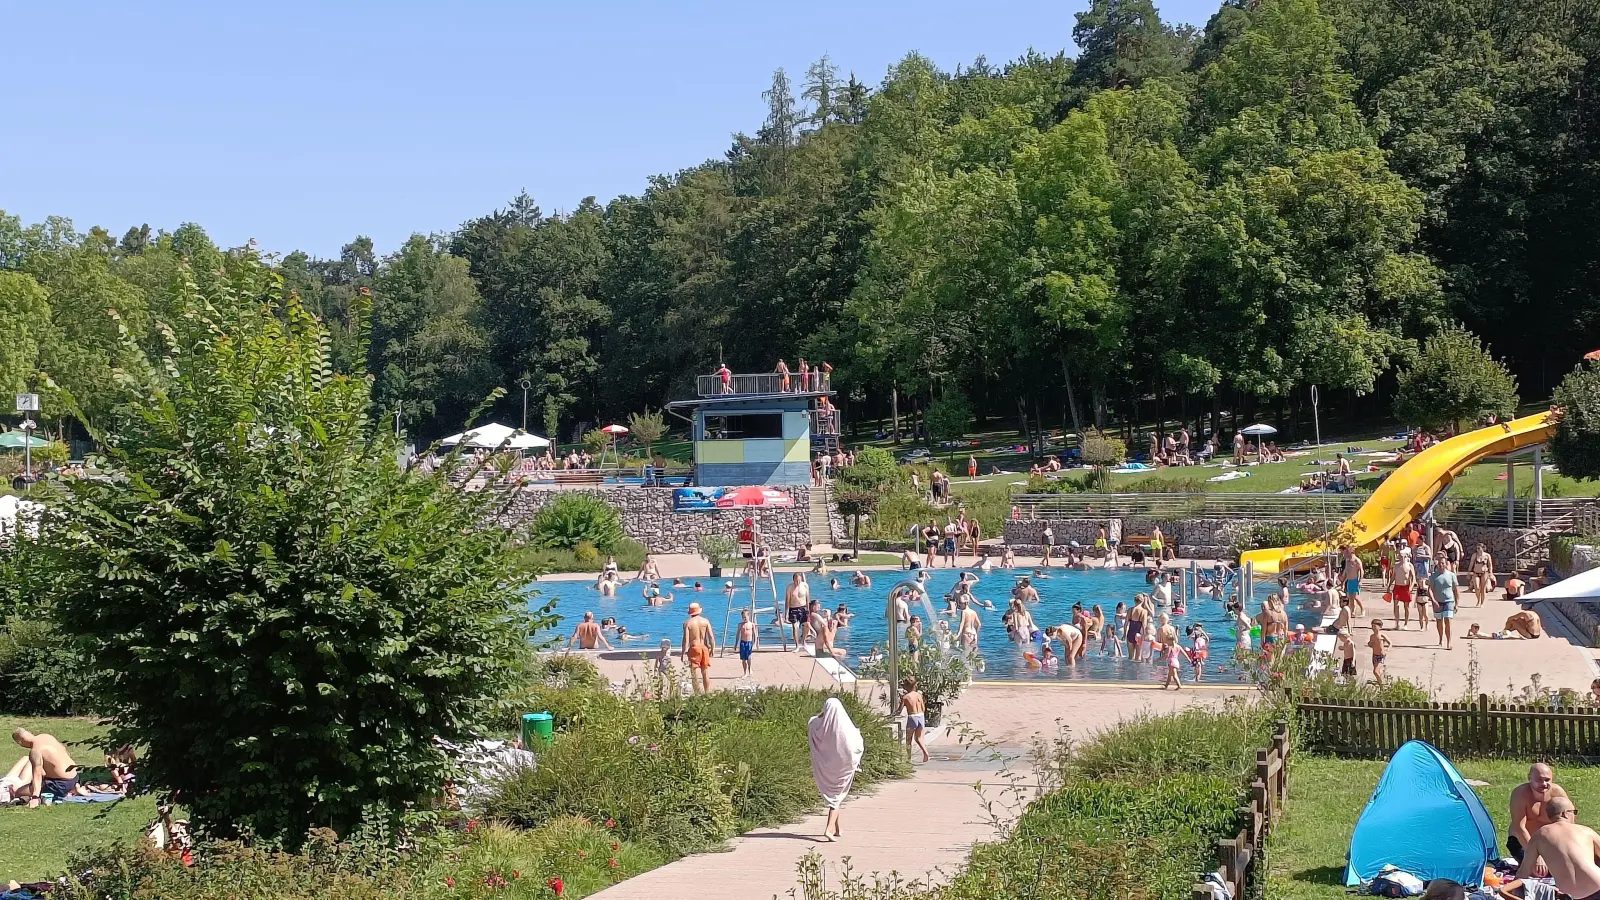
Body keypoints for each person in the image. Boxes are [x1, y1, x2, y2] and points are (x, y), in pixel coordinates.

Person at [1517, 796, 1600, 900]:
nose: (1574, 816)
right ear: (1565, 813)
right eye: (1574, 812)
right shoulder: (1585, 831)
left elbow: (1524, 872)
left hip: (1569, 895)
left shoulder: (1539, 836)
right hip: (1597, 886)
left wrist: (1508, 889)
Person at [809, 698, 865, 842]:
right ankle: (829, 830)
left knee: (836, 796)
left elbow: (813, 721)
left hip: (825, 767)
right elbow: (856, 745)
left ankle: (838, 828)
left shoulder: (816, 725)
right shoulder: (845, 729)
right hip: (841, 768)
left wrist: (822, 714)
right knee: (836, 797)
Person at [1511, 763, 1571, 861]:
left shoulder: (1558, 793)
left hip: (1550, 842)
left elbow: (1570, 820)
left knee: (1563, 867)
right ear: (1529, 778)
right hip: (1523, 842)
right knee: (1537, 870)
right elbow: (1518, 827)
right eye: (1539, 780)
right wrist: (1535, 854)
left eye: (1547, 780)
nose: (1543, 784)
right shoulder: (1520, 794)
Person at [12, 728, 79, 808]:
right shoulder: (47, 736)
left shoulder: (35, 751)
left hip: (61, 784)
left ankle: (63, 791)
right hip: (75, 776)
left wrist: (35, 797)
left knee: (19, 792)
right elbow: (63, 750)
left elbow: (37, 775)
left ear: (20, 743)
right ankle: (73, 787)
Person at [681, 602, 715, 694]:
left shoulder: (687, 623)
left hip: (694, 648)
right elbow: (711, 637)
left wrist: (683, 653)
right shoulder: (705, 621)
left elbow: (686, 640)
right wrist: (713, 648)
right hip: (704, 647)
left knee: (694, 672)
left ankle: (697, 694)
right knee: (705, 672)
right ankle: (707, 693)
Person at [1431, 558, 1461, 649]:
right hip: (1438, 602)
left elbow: (1456, 590)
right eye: (1439, 564)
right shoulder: (1434, 576)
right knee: (1439, 621)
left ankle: (1449, 642)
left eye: (1442, 563)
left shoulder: (1451, 575)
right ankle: (1440, 638)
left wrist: (1457, 603)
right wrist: (1433, 600)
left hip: (1449, 601)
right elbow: (1430, 589)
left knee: (1448, 620)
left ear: (1446, 564)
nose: (1441, 565)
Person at [900, 676, 930, 763]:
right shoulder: (919, 695)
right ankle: (925, 752)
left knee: (908, 740)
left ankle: (908, 759)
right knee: (919, 738)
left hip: (912, 717)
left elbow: (899, 710)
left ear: (906, 686)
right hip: (920, 716)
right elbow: (923, 708)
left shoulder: (906, 697)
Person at [1390, 548, 1418, 630]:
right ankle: (1397, 623)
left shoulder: (1409, 565)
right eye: (1399, 555)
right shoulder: (1396, 565)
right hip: (1397, 587)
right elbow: (1393, 577)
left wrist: (1411, 587)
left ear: (1405, 556)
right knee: (1396, 605)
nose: (1400, 557)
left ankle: (1405, 624)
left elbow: (1413, 578)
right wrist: (1389, 586)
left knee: (1406, 607)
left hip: (1406, 587)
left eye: (1402, 556)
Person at [785, 573, 811, 648]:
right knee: (795, 627)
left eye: (799, 580)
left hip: (803, 608)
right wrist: (786, 614)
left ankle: (803, 640)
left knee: (807, 626)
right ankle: (797, 645)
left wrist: (808, 610)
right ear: (793, 580)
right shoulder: (790, 587)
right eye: (796, 581)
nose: (798, 582)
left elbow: (808, 598)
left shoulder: (805, 585)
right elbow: (787, 601)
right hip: (793, 608)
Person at [1341, 546, 1366, 616]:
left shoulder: (1356, 560)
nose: (1346, 553)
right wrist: (1343, 579)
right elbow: (1346, 570)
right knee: (1350, 597)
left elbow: (1361, 571)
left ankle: (1362, 609)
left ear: (1351, 552)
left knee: (1356, 597)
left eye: (1347, 552)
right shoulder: (1347, 560)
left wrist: (1360, 581)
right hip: (1349, 581)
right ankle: (1353, 611)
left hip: (1355, 581)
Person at [1367, 619, 1391, 684]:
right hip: (1374, 655)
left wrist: (1388, 649)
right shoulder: (1372, 636)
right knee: (1377, 671)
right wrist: (1370, 644)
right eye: (1372, 626)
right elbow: (1371, 645)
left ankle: (1382, 686)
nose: (1373, 628)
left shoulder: (1382, 635)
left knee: (1375, 671)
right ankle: (1381, 682)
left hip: (1381, 655)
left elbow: (1390, 643)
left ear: (1380, 627)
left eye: (1375, 626)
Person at [736, 610, 758, 676]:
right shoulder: (740, 625)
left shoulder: (751, 624)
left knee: (748, 657)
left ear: (748, 616)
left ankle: (749, 668)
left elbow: (755, 634)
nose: (744, 619)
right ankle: (745, 672)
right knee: (743, 659)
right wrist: (735, 644)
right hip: (742, 642)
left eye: (745, 617)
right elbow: (737, 634)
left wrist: (755, 643)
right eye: (743, 617)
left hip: (749, 642)